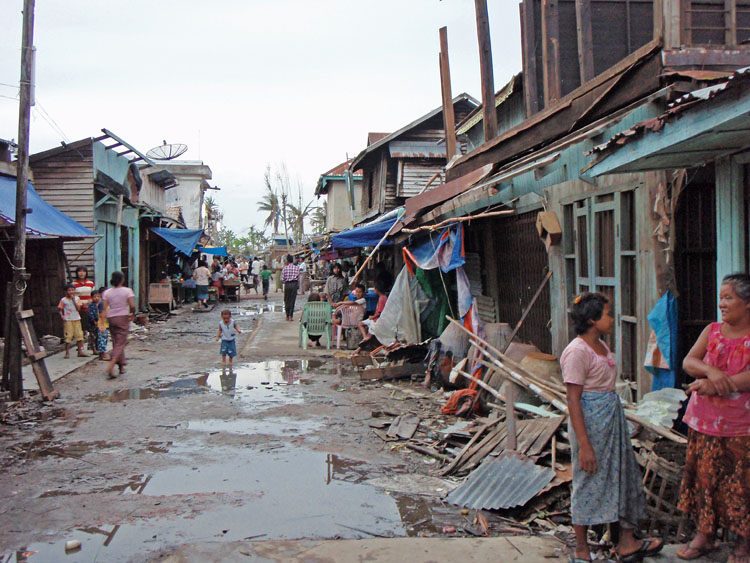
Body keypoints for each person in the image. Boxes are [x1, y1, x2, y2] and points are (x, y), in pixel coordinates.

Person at [561, 293, 662, 563]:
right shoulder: (577, 351)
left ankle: (627, 542)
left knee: (625, 476)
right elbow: (573, 399)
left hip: (612, 422)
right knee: (588, 481)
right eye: (607, 314)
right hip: (590, 426)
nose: (612, 318)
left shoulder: (603, 347)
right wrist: (584, 445)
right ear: (593, 319)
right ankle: (582, 549)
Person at [676, 273, 750, 562]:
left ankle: (744, 543)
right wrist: (712, 372)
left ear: (747, 304)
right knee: (705, 480)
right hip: (705, 422)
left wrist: (716, 384)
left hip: (742, 427)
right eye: (721, 297)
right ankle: (705, 536)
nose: (722, 303)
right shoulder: (712, 330)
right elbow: (689, 362)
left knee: (742, 484)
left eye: (728, 297)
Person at [101, 271, 135, 379]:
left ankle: (121, 367)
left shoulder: (107, 292)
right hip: (123, 317)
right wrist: (132, 313)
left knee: (116, 341)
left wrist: (102, 323)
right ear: (122, 279)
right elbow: (132, 305)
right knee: (121, 343)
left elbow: (104, 308)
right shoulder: (127, 291)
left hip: (111, 318)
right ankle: (111, 365)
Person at [58, 283, 88, 359]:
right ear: (66, 291)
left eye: (72, 290)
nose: (71, 292)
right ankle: (67, 352)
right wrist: (62, 315)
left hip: (77, 318)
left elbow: (78, 309)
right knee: (68, 335)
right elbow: (60, 309)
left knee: (79, 335)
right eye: (69, 290)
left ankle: (80, 351)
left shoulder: (77, 299)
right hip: (68, 319)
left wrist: (74, 300)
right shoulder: (63, 300)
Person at [357, 279, 388, 345]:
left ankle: (364, 341)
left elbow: (380, 313)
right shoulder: (383, 297)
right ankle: (365, 338)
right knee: (360, 324)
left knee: (369, 335)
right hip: (375, 319)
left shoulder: (382, 299)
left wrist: (372, 317)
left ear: (377, 289)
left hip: (376, 320)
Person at [73, 266, 95, 346]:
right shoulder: (74, 284)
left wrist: (89, 302)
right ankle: (80, 345)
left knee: (91, 327)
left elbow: (94, 295)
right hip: (79, 309)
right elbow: (73, 297)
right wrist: (80, 304)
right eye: (79, 271)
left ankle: (91, 345)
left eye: (83, 271)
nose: (81, 273)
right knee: (80, 327)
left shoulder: (90, 283)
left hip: (89, 308)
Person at [87, 288, 110, 361]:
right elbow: (101, 314)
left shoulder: (106, 302)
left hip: (105, 324)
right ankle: (103, 354)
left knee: (104, 338)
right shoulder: (102, 304)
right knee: (102, 339)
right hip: (102, 324)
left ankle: (101, 354)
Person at [280, 254, 300, 321]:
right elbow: (298, 278)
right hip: (294, 284)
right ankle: (291, 316)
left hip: (287, 284)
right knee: (292, 300)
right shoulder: (296, 268)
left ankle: (287, 316)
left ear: (287, 261)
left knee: (286, 300)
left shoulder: (285, 268)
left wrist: (286, 281)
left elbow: (282, 279)